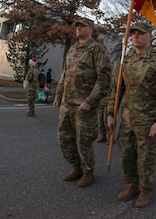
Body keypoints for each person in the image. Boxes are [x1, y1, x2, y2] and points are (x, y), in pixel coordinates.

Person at [107, 21, 156, 208]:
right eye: (133, 33)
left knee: (146, 159)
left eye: (140, 33)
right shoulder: (125, 60)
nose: (135, 36)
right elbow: (117, 90)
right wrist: (110, 114)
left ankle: (146, 190)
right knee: (127, 156)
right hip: (128, 120)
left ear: (150, 37)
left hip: (149, 120)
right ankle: (132, 185)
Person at [53, 17, 111, 188]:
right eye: (76, 26)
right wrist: (58, 96)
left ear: (91, 29)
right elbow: (64, 74)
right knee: (64, 139)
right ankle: (76, 167)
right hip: (67, 103)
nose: (78, 28)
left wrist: (90, 101)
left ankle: (88, 171)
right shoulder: (72, 50)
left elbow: (104, 78)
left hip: (84, 105)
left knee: (83, 141)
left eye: (82, 25)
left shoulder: (97, 50)